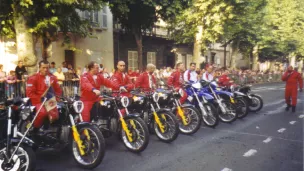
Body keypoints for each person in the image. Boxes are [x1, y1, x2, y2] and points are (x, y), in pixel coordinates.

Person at [26, 60, 62, 140]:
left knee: (56, 115)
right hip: (37, 101)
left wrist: (58, 97)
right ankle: (35, 129)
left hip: (50, 100)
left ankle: (52, 132)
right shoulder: (33, 78)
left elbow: (58, 89)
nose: (46, 69)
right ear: (39, 68)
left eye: (47, 68)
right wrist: (40, 98)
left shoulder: (52, 77)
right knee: (42, 112)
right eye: (43, 68)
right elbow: (29, 93)